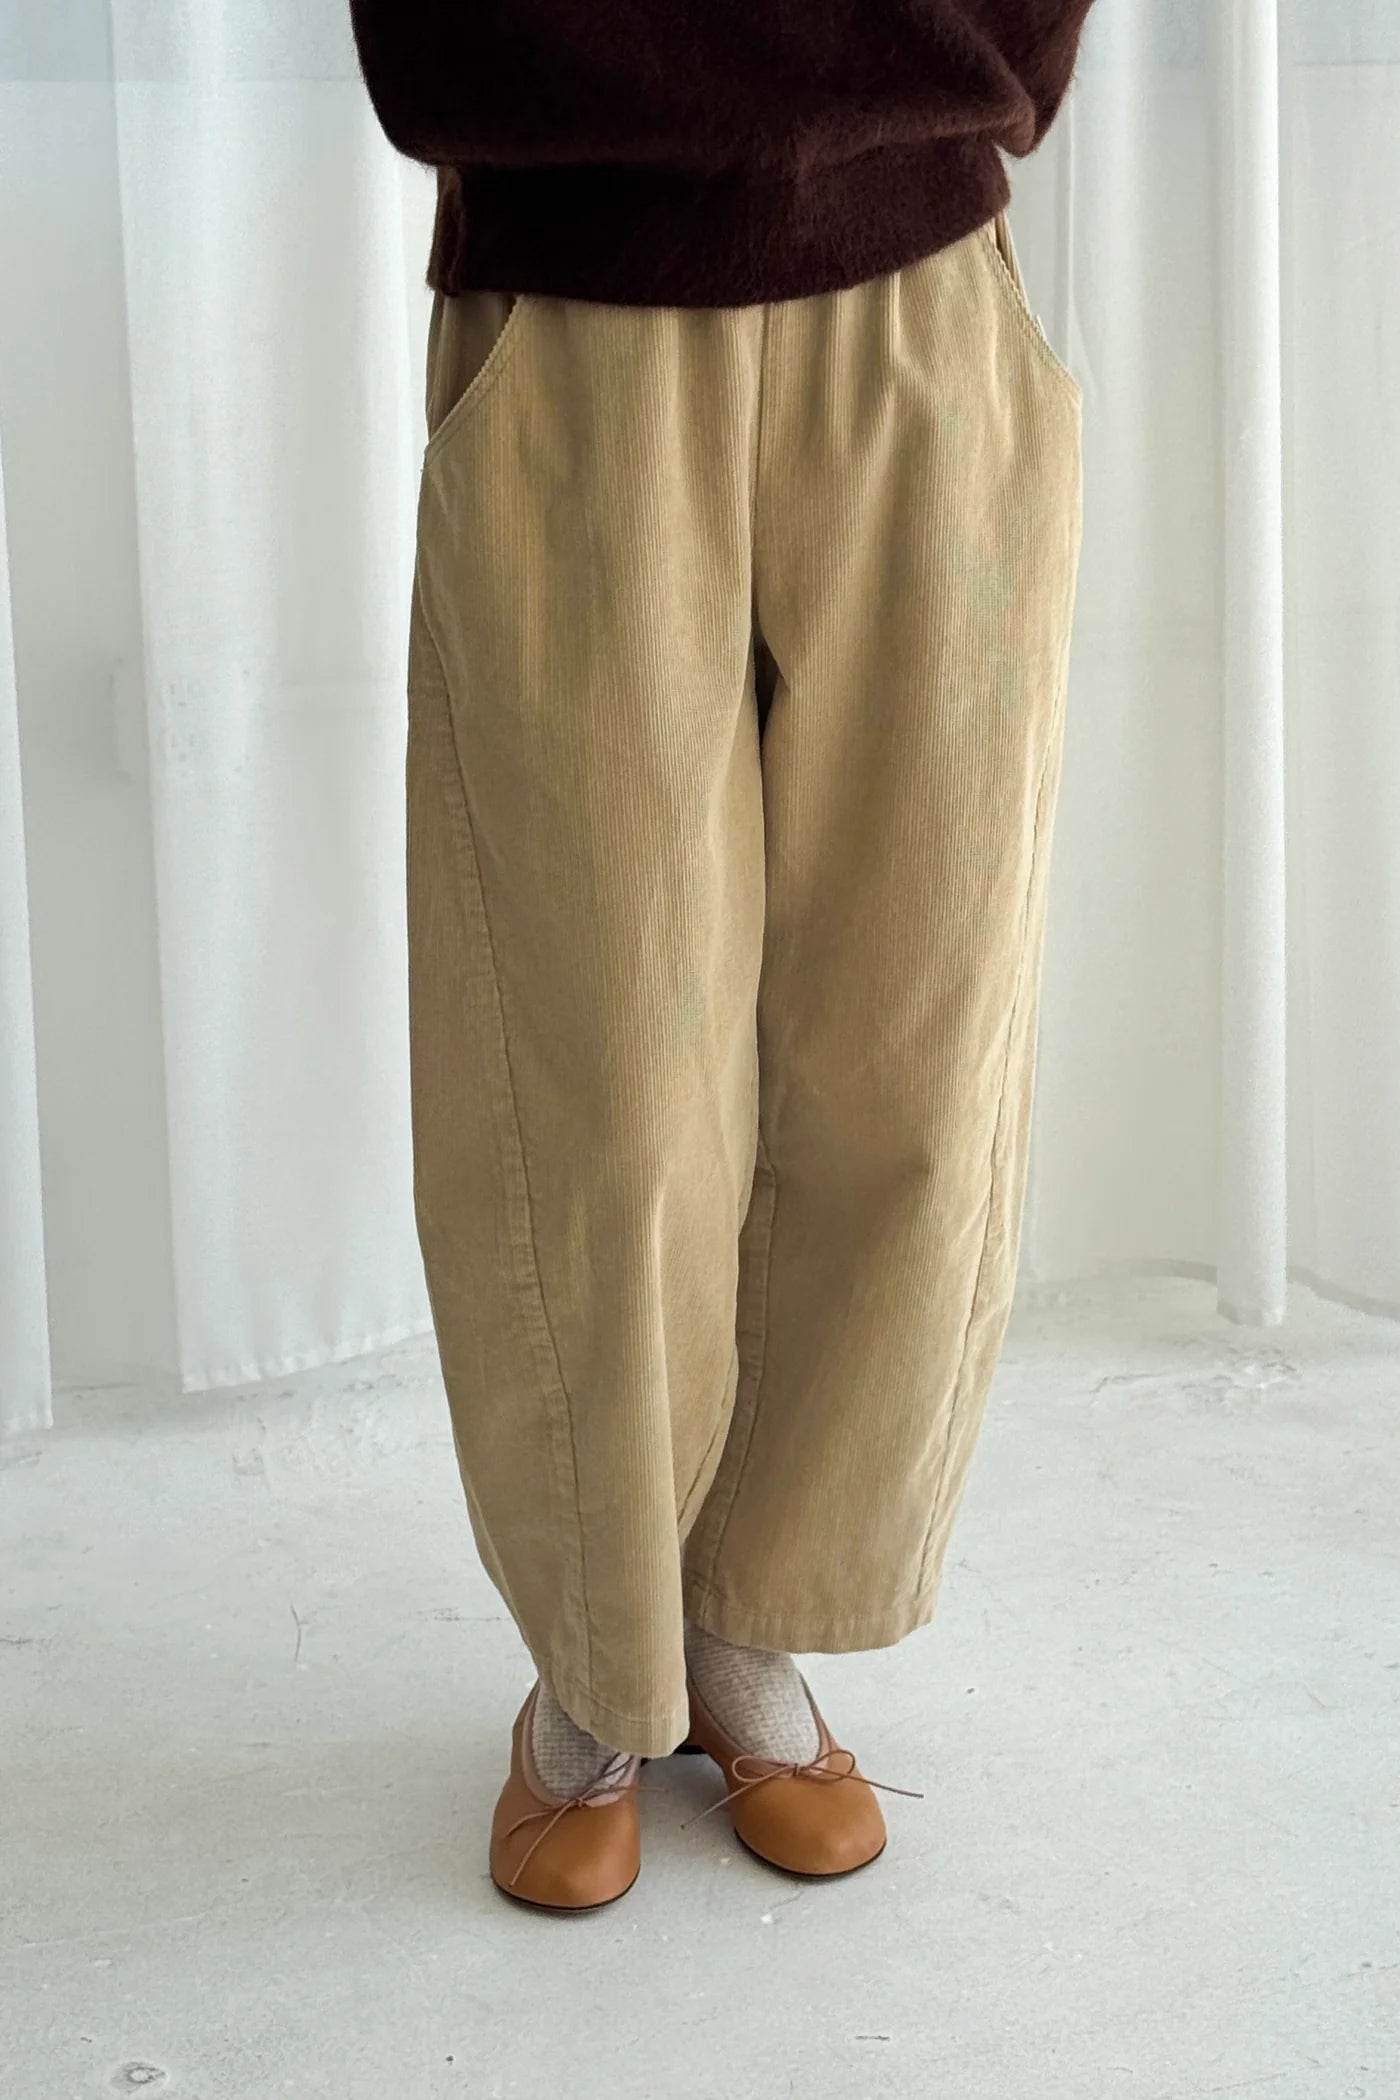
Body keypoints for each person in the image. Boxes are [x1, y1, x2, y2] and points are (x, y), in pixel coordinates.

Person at [348, 0, 1095, 1910]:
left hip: (920, 304)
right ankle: (597, 1668)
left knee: (914, 1031)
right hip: (584, 323)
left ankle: (744, 1623)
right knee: (600, 1065)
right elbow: (441, 54)